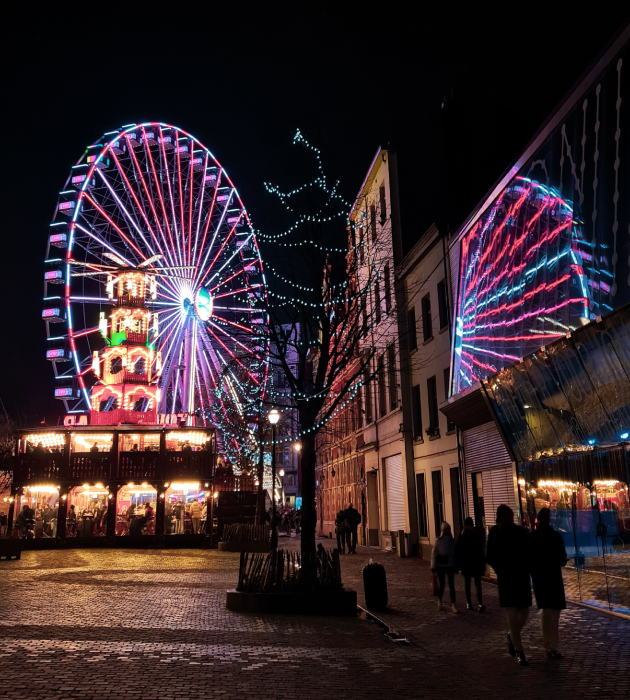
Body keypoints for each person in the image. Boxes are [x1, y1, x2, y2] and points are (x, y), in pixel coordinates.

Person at [487, 504, 532, 666]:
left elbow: (528, 551)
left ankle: (511, 636)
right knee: (512, 616)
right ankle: (519, 650)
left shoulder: (520, 532)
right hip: (507, 579)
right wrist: (500, 570)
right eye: (506, 516)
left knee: (524, 613)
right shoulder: (495, 533)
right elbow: (490, 555)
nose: (509, 519)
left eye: (511, 516)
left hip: (520, 577)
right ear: (500, 517)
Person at [530, 507, 567, 660]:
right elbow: (562, 557)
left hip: (541, 579)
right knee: (554, 613)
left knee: (547, 612)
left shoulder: (533, 538)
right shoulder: (555, 536)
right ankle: (552, 646)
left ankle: (548, 645)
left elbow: (530, 559)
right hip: (553, 577)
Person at [455, 516, 486, 612]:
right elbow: (458, 551)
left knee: (477, 582)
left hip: (475, 562)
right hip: (467, 563)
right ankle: (469, 603)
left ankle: (479, 603)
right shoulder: (462, 536)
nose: (469, 527)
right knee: (468, 583)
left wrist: (481, 562)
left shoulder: (475, 534)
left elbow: (480, 549)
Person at [431, 521, 459, 613]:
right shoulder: (438, 540)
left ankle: (453, 604)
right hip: (441, 566)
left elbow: (455, 554)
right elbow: (434, 554)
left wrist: (455, 566)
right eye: (446, 529)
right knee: (442, 584)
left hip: (450, 565)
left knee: (451, 585)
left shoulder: (452, 541)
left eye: (448, 529)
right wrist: (433, 566)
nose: (447, 531)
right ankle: (440, 601)